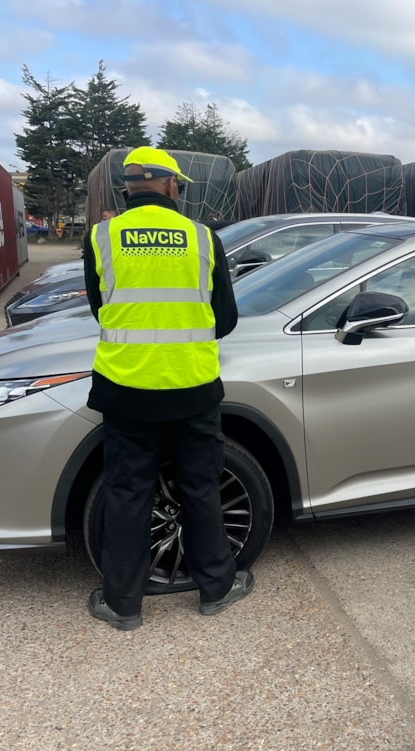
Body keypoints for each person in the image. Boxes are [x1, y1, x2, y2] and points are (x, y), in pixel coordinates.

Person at [82, 146, 253, 629]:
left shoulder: (100, 237)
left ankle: (122, 604)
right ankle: (217, 589)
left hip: (126, 386)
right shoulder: (202, 237)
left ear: (129, 187)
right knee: (201, 487)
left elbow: (101, 309)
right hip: (192, 386)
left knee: (127, 492)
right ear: (172, 186)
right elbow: (226, 318)